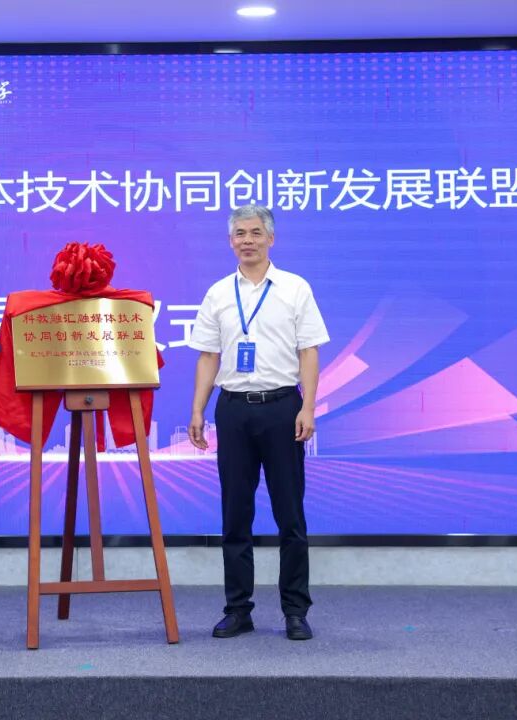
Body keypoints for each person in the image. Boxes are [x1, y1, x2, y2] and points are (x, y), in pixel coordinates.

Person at [187, 204, 329, 641]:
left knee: (290, 515)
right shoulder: (218, 293)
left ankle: (295, 611)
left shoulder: (294, 288)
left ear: (271, 238)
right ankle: (238, 609)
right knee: (235, 514)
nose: (247, 240)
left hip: (282, 407)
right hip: (233, 410)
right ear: (230, 241)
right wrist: (197, 409)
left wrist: (308, 407)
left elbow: (309, 351)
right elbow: (208, 356)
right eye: (240, 234)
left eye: (255, 233)